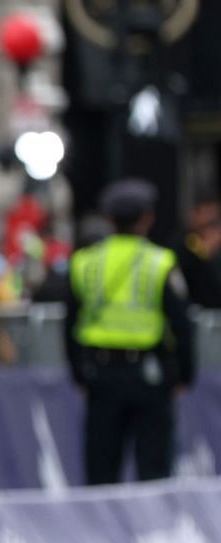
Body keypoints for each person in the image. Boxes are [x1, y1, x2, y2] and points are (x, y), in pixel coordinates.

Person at [64, 180, 194, 486]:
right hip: (149, 376)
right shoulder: (160, 262)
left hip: (100, 374)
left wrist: (79, 374)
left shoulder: (85, 262)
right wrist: (183, 375)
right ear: (147, 218)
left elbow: (69, 325)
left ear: (109, 219)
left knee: (101, 468)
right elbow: (181, 325)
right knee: (154, 468)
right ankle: (155, 533)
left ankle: (99, 532)